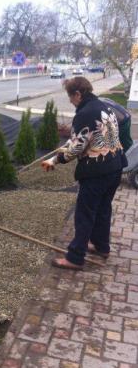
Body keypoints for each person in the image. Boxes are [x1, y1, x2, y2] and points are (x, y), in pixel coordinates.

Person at [41, 77, 127, 270]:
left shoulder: (85, 114)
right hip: (115, 166)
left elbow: (76, 148)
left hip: (97, 171)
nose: (70, 101)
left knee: (84, 214)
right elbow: (84, 138)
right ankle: (101, 246)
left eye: (70, 97)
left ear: (78, 94)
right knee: (103, 208)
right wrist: (61, 151)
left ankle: (75, 257)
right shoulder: (103, 106)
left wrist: (55, 161)